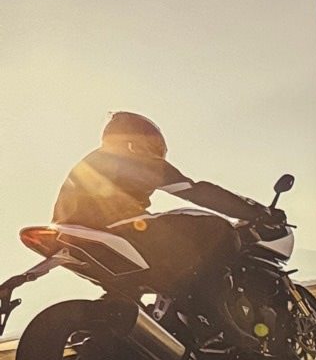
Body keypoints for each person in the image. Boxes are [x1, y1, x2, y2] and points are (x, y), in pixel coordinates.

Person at [53, 112, 259, 303]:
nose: (157, 154)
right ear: (137, 138)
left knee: (127, 293)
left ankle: (116, 321)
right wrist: (257, 212)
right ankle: (211, 304)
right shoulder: (129, 156)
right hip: (113, 228)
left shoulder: (91, 163)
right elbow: (193, 190)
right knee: (219, 229)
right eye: (154, 145)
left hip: (72, 235)